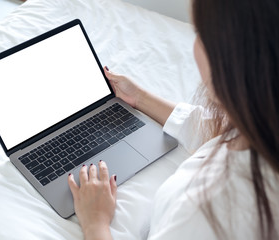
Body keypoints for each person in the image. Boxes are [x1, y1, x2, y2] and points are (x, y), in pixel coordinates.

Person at [67, 0, 279, 239]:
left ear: (232, 59)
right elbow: (220, 130)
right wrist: (140, 98)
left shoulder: (204, 210)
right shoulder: (263, 123)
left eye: (200, 32)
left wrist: (95, 223)